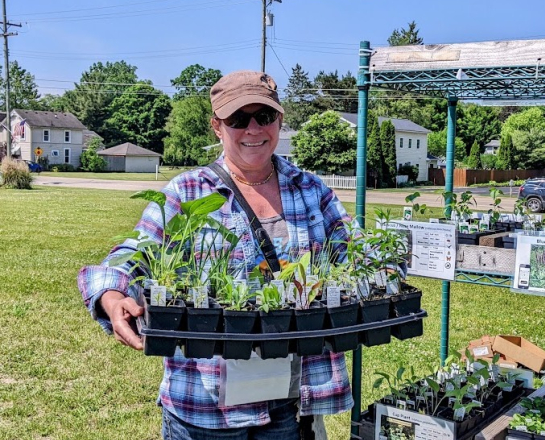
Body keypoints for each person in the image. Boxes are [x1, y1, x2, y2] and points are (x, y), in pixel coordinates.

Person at [78, 70, 352, 439]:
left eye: (264, 116)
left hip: (287, 400)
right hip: (206, 406)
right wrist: (111, 295)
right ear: (216, 126)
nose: (253, 129)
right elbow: (134, 251)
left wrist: (389, 260)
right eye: (239, 119)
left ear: (280, 120)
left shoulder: (309, 189)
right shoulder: (188, 192)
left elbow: (357, 251)